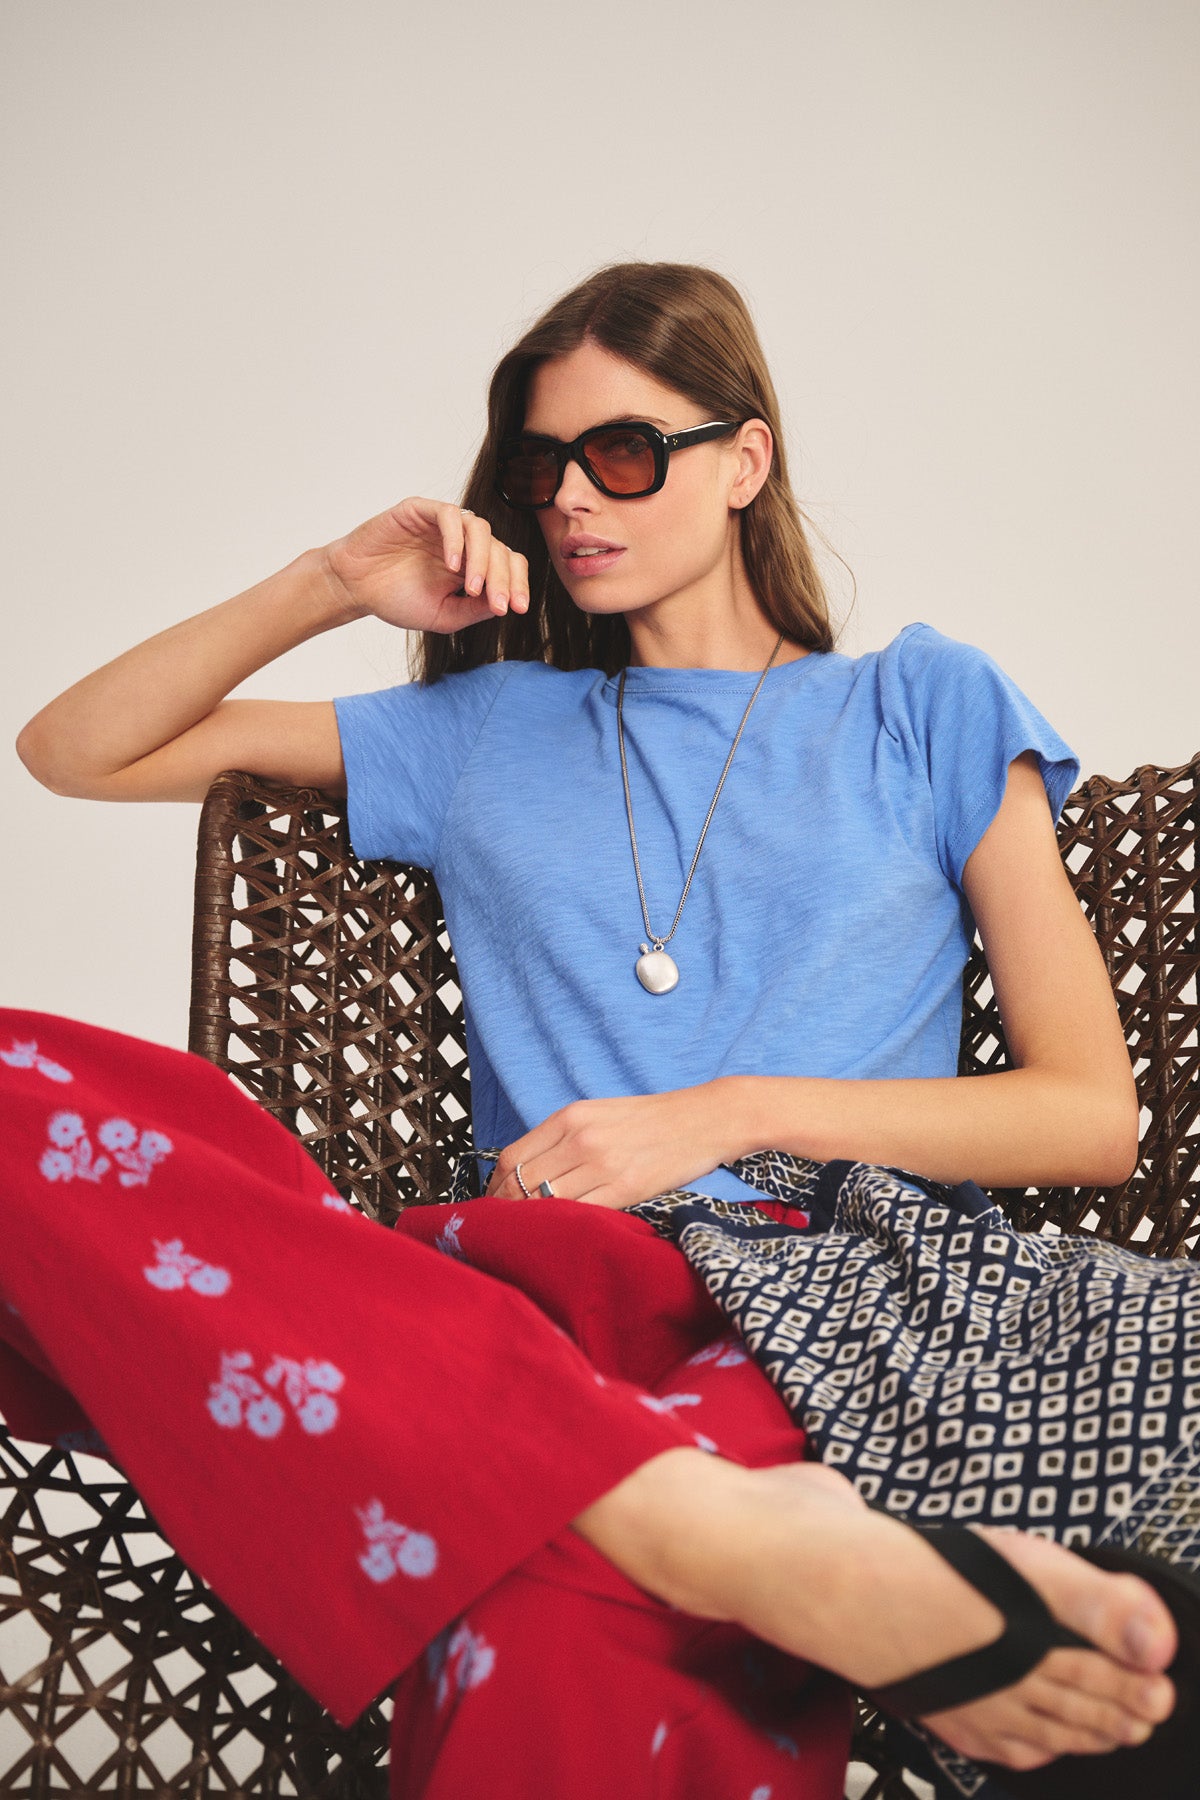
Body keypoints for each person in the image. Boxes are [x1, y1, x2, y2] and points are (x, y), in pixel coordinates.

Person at [9, 261, 1197, 1800]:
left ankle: (681, 1522)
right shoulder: (487, 731)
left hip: (833, 1290)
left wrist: (723, 1112)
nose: (572, 497)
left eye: (623, 453)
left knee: (540, 1608)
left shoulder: (923, 704)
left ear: (743, 462)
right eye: (542, 464)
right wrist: (327, 580)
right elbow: (72, 751)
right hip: (533, 1298)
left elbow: (1089, 1115)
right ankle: (694, 1517)